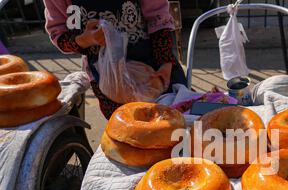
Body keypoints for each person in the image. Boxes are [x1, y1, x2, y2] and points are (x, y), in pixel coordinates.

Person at [43, 0, 187, 119]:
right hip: (108, 82)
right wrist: (85, 39)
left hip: (155, 68)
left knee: (175, 126)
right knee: (130, 133)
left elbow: (158, 17)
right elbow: (60, 33)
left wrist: (165, 65)